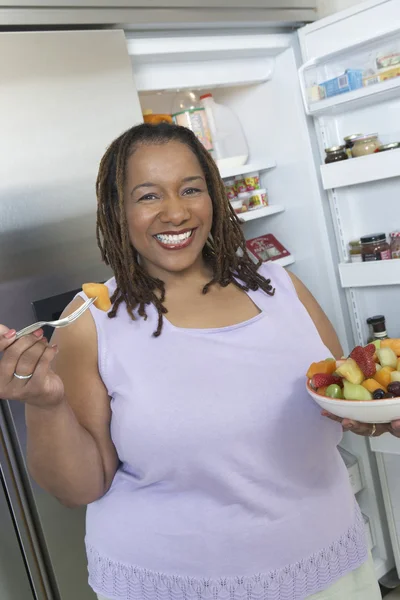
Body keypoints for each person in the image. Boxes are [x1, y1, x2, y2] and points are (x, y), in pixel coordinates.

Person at [1, 122, 397, 600]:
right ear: (116, 211)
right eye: (148, 196)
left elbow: (338, 400)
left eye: (191, 189)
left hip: (325, 566)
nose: (175, 211)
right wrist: (44, 404)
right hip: (175, 584)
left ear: (213, 196)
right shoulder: (93, 320)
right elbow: (79, 487)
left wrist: (374, 416)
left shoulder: (281, 288)